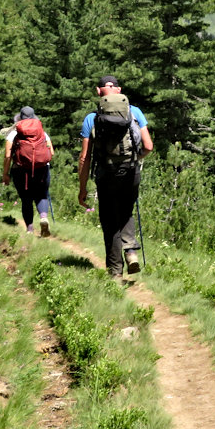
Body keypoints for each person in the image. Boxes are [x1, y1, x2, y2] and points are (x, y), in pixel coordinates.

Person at [78, 75, 153, 280]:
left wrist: (82, 188)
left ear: (98, 91)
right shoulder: (135, 112)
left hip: (106, 174)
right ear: (119, 90)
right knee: (126, 210)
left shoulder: (90, 118)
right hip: (130, 171)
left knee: (110, 219)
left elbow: (85, 158)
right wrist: (136, 158)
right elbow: (148, 146)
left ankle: (115, 272)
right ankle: (131, 253)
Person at [3, 106, 55, 236]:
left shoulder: (13, 134)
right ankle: (43, 217)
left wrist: (5, 174)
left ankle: (30, 229)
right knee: (41, 195)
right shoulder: (42, 133)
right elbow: (51, 153)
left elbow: (8, 156)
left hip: (21, 171)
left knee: (26, 199)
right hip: (42, 169)